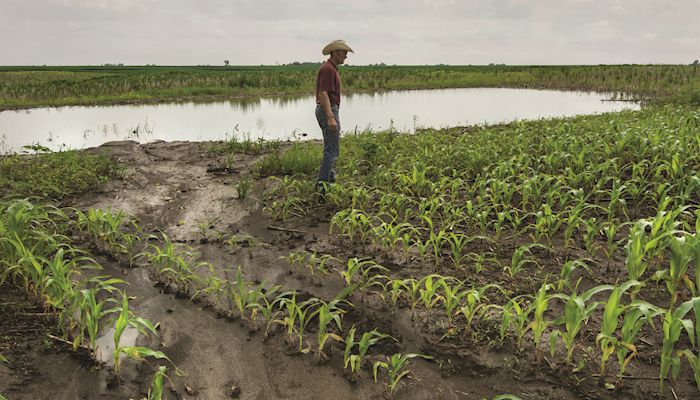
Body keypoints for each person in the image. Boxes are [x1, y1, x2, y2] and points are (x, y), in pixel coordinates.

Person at [316, 39, 353, 194]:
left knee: (331, 149)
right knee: (332, 151)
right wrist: (331, 117)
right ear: (336, 52)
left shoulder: (331, 68)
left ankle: (330, 180)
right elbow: (323, 93)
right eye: (344, 53)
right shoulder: (328, 69)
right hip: (328, 110)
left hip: (329, 110)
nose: (346, 56)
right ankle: (322, 187)